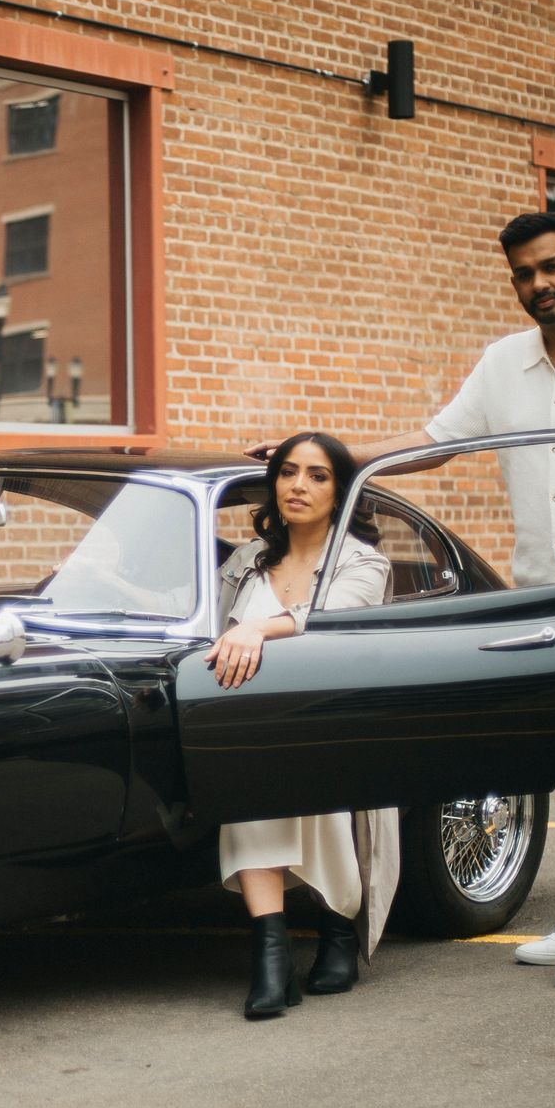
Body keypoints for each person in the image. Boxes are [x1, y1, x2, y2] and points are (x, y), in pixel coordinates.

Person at [249, 211, 555, 989]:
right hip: (541, 594)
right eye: (524, 275)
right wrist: (328, 453)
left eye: (552, 268)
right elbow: (438, 444)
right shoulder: (504, 364)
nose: (540, 286)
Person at [203, 431, 397, 1019]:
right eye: (288, 472)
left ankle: (338, 930)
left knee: (320, 785)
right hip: (253, 728)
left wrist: (256, 628)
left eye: (317, 475)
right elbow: (203, 630)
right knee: (244, 783)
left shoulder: (364, 561)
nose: (298, 486)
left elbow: (331, 620)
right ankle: (271, 955)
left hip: (331, 723)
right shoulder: (242, 563)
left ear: (340, 492)